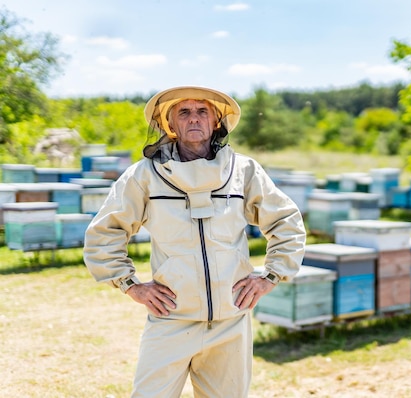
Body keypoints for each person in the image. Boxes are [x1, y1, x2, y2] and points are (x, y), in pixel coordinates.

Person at [83, 85, 306, 397]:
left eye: (202, 111)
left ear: (216, 121)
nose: (194, 119)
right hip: (171, 320)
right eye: (183, 112)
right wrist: (130, 284)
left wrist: (270, 276)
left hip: (231, 321)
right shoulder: (144, 176)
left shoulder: (244, 171)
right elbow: (105, 232)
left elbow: (286, 222)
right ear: (169, 124)